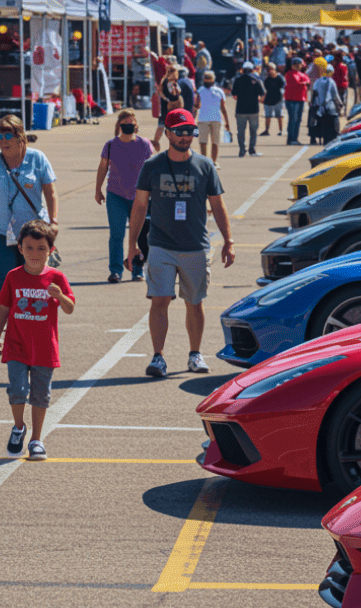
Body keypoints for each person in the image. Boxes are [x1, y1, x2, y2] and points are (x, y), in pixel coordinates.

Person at [125, 109, 234, 378]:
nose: (186, 136)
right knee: (159, 300)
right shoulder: (152, 166)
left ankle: (195, 354)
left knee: (194, 302)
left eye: (190, 131)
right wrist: (132, 245)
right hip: (160, 245)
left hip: (195, 246)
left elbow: (218, 205)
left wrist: (228, 241)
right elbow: (139, 206)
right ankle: (158, 357)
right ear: (168, 133)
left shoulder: (205, 166)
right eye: (180, 131)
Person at [0, 220, 73, 461]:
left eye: (41, 248)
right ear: (20, 248)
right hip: (16, 344)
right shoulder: (14, 277)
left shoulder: (56, 277)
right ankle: (19, 427)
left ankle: (36, 440)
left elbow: (70, 308)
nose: (34, 254)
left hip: (44, 347)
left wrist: (60, 296)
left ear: (51, 250)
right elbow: (3, 308)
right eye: (29, 248)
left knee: (40, 394)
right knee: (17, 390)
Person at [0, 115, 57, 300]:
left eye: (8, 136)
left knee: (32, 279)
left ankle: (28, 314)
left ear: (20, 136)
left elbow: (50, 193)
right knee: (3, 280)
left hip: (32, 233)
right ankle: (8, 314)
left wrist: (53, 221)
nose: (3, 141)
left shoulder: (37, 158)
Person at [95, 109, 153, 284]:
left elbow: (152, 169)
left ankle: (138, 269)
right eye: (125, 123)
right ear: (119, 125)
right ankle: (116, 270)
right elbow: (103, 167)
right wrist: (98, 190)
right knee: (117, 234)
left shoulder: (144, 145)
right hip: (116, 195)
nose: (128, 126)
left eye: (131, 123)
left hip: (140, 197)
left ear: (136, 126)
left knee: (140, 235)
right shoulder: (111, 145)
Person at [194, 71, 229, 167]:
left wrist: (193, 116)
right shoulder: (218, 91)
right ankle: (212, 162)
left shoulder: (201, 90)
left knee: (205, 142)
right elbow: (223, 108)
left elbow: (197, 106)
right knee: (213, 142)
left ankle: (206, 162)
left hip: (205, 119)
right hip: (215, 119)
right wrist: (227, 122)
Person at [231, 61, 265, 158]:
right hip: (253, 109)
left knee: (241, 131)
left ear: (243, 70)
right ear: (252, 70)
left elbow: (233, 93)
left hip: (241, 109)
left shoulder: (238, 80)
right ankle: (252, 149)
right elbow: (262, 93)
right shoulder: (256, 80)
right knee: (253, 131)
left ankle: (242, 149)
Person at [152, 60, 183, 152]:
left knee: (170, 127)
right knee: (162, 125)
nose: (176, 76)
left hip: (173, 107)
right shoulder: (165, 81)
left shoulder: (174, 83)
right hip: (166, 107)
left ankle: (174, 144)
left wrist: (176, 90)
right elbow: (160, 92)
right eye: (174, 74)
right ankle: (155, 142)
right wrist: (167, 99)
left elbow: (178, 92)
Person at [311, 65, 344, 145]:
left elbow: (314, 93)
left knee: (323, 124)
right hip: (329, 107)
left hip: (319, 107)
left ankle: (324, 140)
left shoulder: (318, 81)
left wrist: (313, 103)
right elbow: (335, 95)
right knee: (332, 124)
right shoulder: (331, 82)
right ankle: (331, 140)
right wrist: (340, 103)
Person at [284, 57, 310, 146]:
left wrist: (303, 82)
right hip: (292, 99)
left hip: (300, 99)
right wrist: (304, 83)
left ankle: (295, 138)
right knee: (293, 119)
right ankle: (291, 139)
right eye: (298, 65)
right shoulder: (290, 74)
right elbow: (296, 83)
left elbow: (308, 80)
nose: (300, 66)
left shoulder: (301, 74)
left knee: (298, 120)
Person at [261, 62, 286, 137]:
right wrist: (263, 97)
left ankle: (281, 130)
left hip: (278, 99)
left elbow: (283, 88)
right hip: (268, 99)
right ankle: (266, 130)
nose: (270, 71)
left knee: (279, 115)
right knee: (267, 116)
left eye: (271, 69)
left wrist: (283, 96)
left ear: (274, 69)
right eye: (268, 69)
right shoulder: (267, 79)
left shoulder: (280, 78)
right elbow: (265, 89)